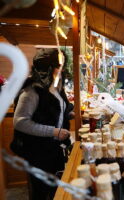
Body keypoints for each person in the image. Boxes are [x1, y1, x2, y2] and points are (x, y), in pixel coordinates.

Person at [12, 48, 73, 200]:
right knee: (41, 193)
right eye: (59, 66)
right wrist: (53, 131)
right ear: (47, 68)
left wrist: (70, 114)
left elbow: (56, 111)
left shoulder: (56, 86)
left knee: (55, 190)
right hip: (38, 152)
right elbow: (19, 122)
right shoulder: (31, 91)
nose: (62, 69)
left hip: (55, 148)